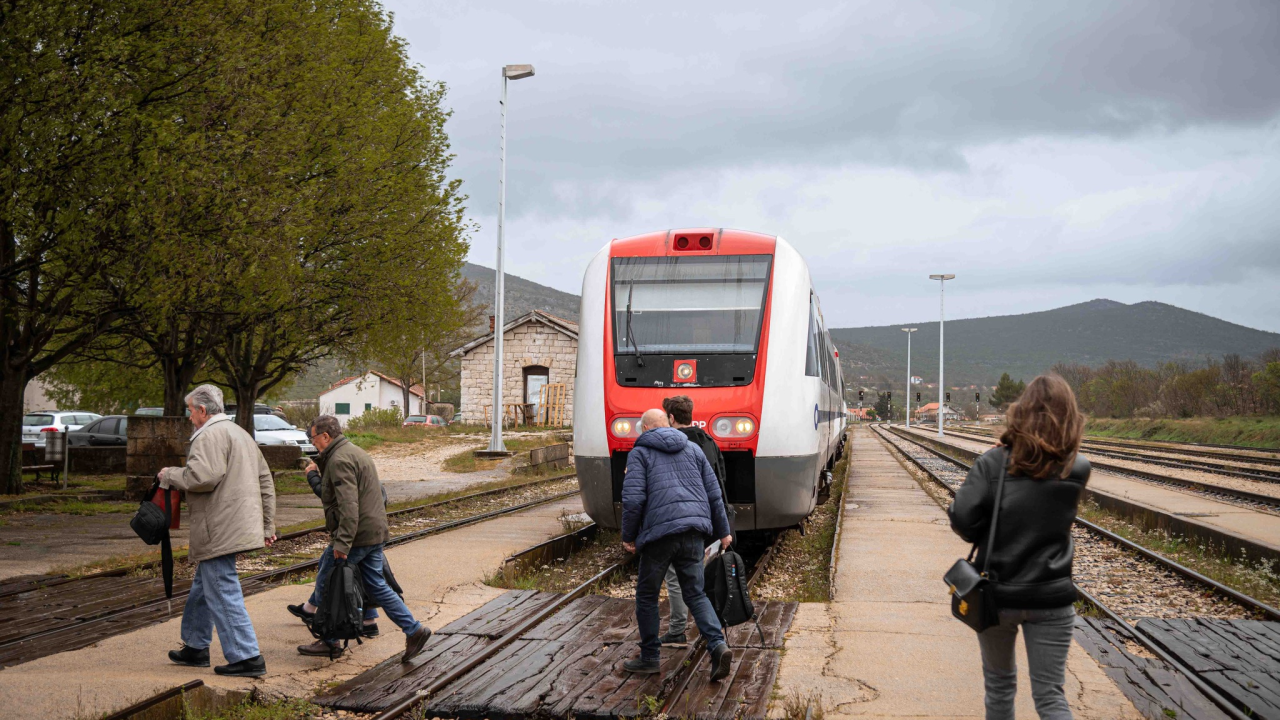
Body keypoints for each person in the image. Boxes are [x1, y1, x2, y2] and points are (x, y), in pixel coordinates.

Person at [948, 375, 1089, 720]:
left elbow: (962, 518)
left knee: (999, 687)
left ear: (1020, 412)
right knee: (1051, 696)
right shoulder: (1077, 467)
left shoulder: (993, 462)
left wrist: (985, 532)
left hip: (998, 595)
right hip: (1052, 596)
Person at [293, 415, 431, 662]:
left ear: (325, 436)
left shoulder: (339, 460)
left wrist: (343, 543)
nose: (312, 443)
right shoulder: (355, 451)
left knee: (327, 582)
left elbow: (348, 505)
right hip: (373, 532)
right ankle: (414, 630)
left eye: (313, 438)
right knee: (376, 584)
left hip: (355, 536)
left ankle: (330, 641)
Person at [160, 385, 276, 677]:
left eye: (190, 410)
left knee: (222, 588)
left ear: (202, 410)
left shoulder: (209, 435)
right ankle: (196, 646)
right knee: (205, 584)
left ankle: (246, 656)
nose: (189, 417)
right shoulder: (240, 434)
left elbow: (202, 477)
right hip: (237, 523)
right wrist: (267, 524)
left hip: (218, 526)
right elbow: (265, 480)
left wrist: (170, 474)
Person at [621, 408, 734, 681]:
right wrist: (724, 532)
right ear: (668, 424)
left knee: (647, 595)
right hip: (693, 532)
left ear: (646, 428)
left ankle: (649, 657)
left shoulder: (640, 453)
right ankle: (718, 645)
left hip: (660, 535)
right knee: (695, 593)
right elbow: (714, 493)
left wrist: (628, 536)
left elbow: (633, 499)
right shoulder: (693, 449)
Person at [657, 395, 735, 646]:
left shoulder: (672, 444)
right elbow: (719, 480)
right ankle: (713, 632)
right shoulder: (708, 441)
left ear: (671, 418)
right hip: (708, 519)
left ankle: (679, 629)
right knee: (701, 579)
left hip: (681, 521)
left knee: (676, 577)